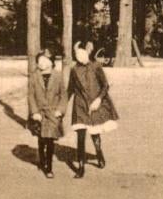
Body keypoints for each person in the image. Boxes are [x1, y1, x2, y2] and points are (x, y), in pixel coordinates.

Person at [68, 43, 119, 178]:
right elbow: (70, 90)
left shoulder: (96, 66)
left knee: (95, 132)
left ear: (88, 52)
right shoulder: (73, 70)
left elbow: (105, 85)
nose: (81, 55)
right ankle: (81, 167)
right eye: (78, 53)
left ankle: (99, 152)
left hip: (94, 104)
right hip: (79, 106)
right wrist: (61, 108)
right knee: (80, 136)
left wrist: (98, 100)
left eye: (83, 52)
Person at [28, 53, 66, 179]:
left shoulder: (58, 76)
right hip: (39, 113)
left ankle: (49, 168)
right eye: (39, 61)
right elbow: (31, 95)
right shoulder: (34, 77)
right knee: (41, 139)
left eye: (44, 60)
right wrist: (34, 112)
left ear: (51, 62)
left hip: (53, 113)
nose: (42, 63)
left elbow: (63, 95)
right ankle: (42, 159)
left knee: (50, 140)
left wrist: (60, 110)